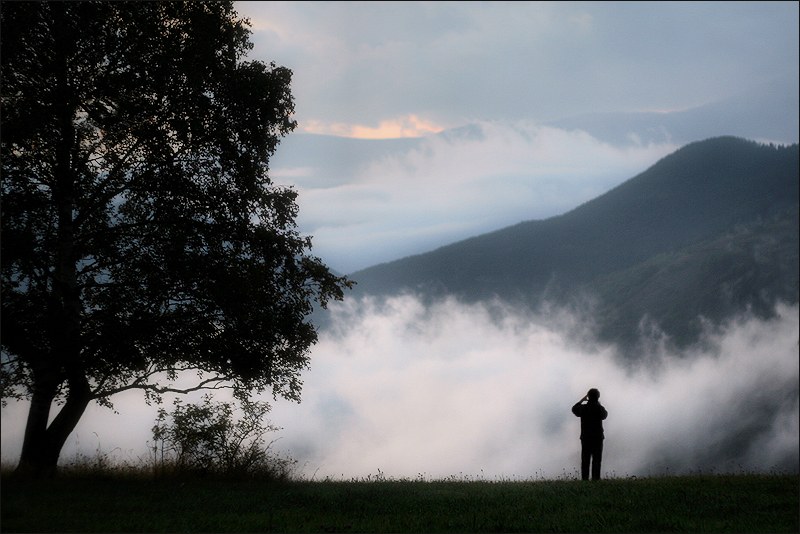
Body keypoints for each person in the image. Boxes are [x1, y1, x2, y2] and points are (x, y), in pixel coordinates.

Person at [572, 388, 608, 480]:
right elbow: (605, 415)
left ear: (588, 397)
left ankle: (585, 479)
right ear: (597, 397)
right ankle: (596, 478)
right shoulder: (599, 408)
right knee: (597, 459)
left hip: (586, 437)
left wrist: (581, 400)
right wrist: (598, 404)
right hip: (597, 437)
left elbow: (574, 409)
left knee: (585, 460)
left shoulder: (583, 408)